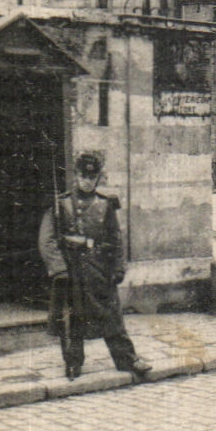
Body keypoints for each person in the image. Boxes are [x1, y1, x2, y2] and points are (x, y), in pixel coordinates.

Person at [38, 150, 152, 382]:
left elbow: (116, 240)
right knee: (73, 320)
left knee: (112, 318)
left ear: (98, 178)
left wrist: (118, 268)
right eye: (84, 176)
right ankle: (73, 363)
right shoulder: (61, 204)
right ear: (77, 176)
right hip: (72, 271)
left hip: (99, 270)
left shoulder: (106, 205)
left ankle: (127, 360)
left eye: (92, 177)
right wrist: (59, 269)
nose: (88, 181)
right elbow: (46, 240)